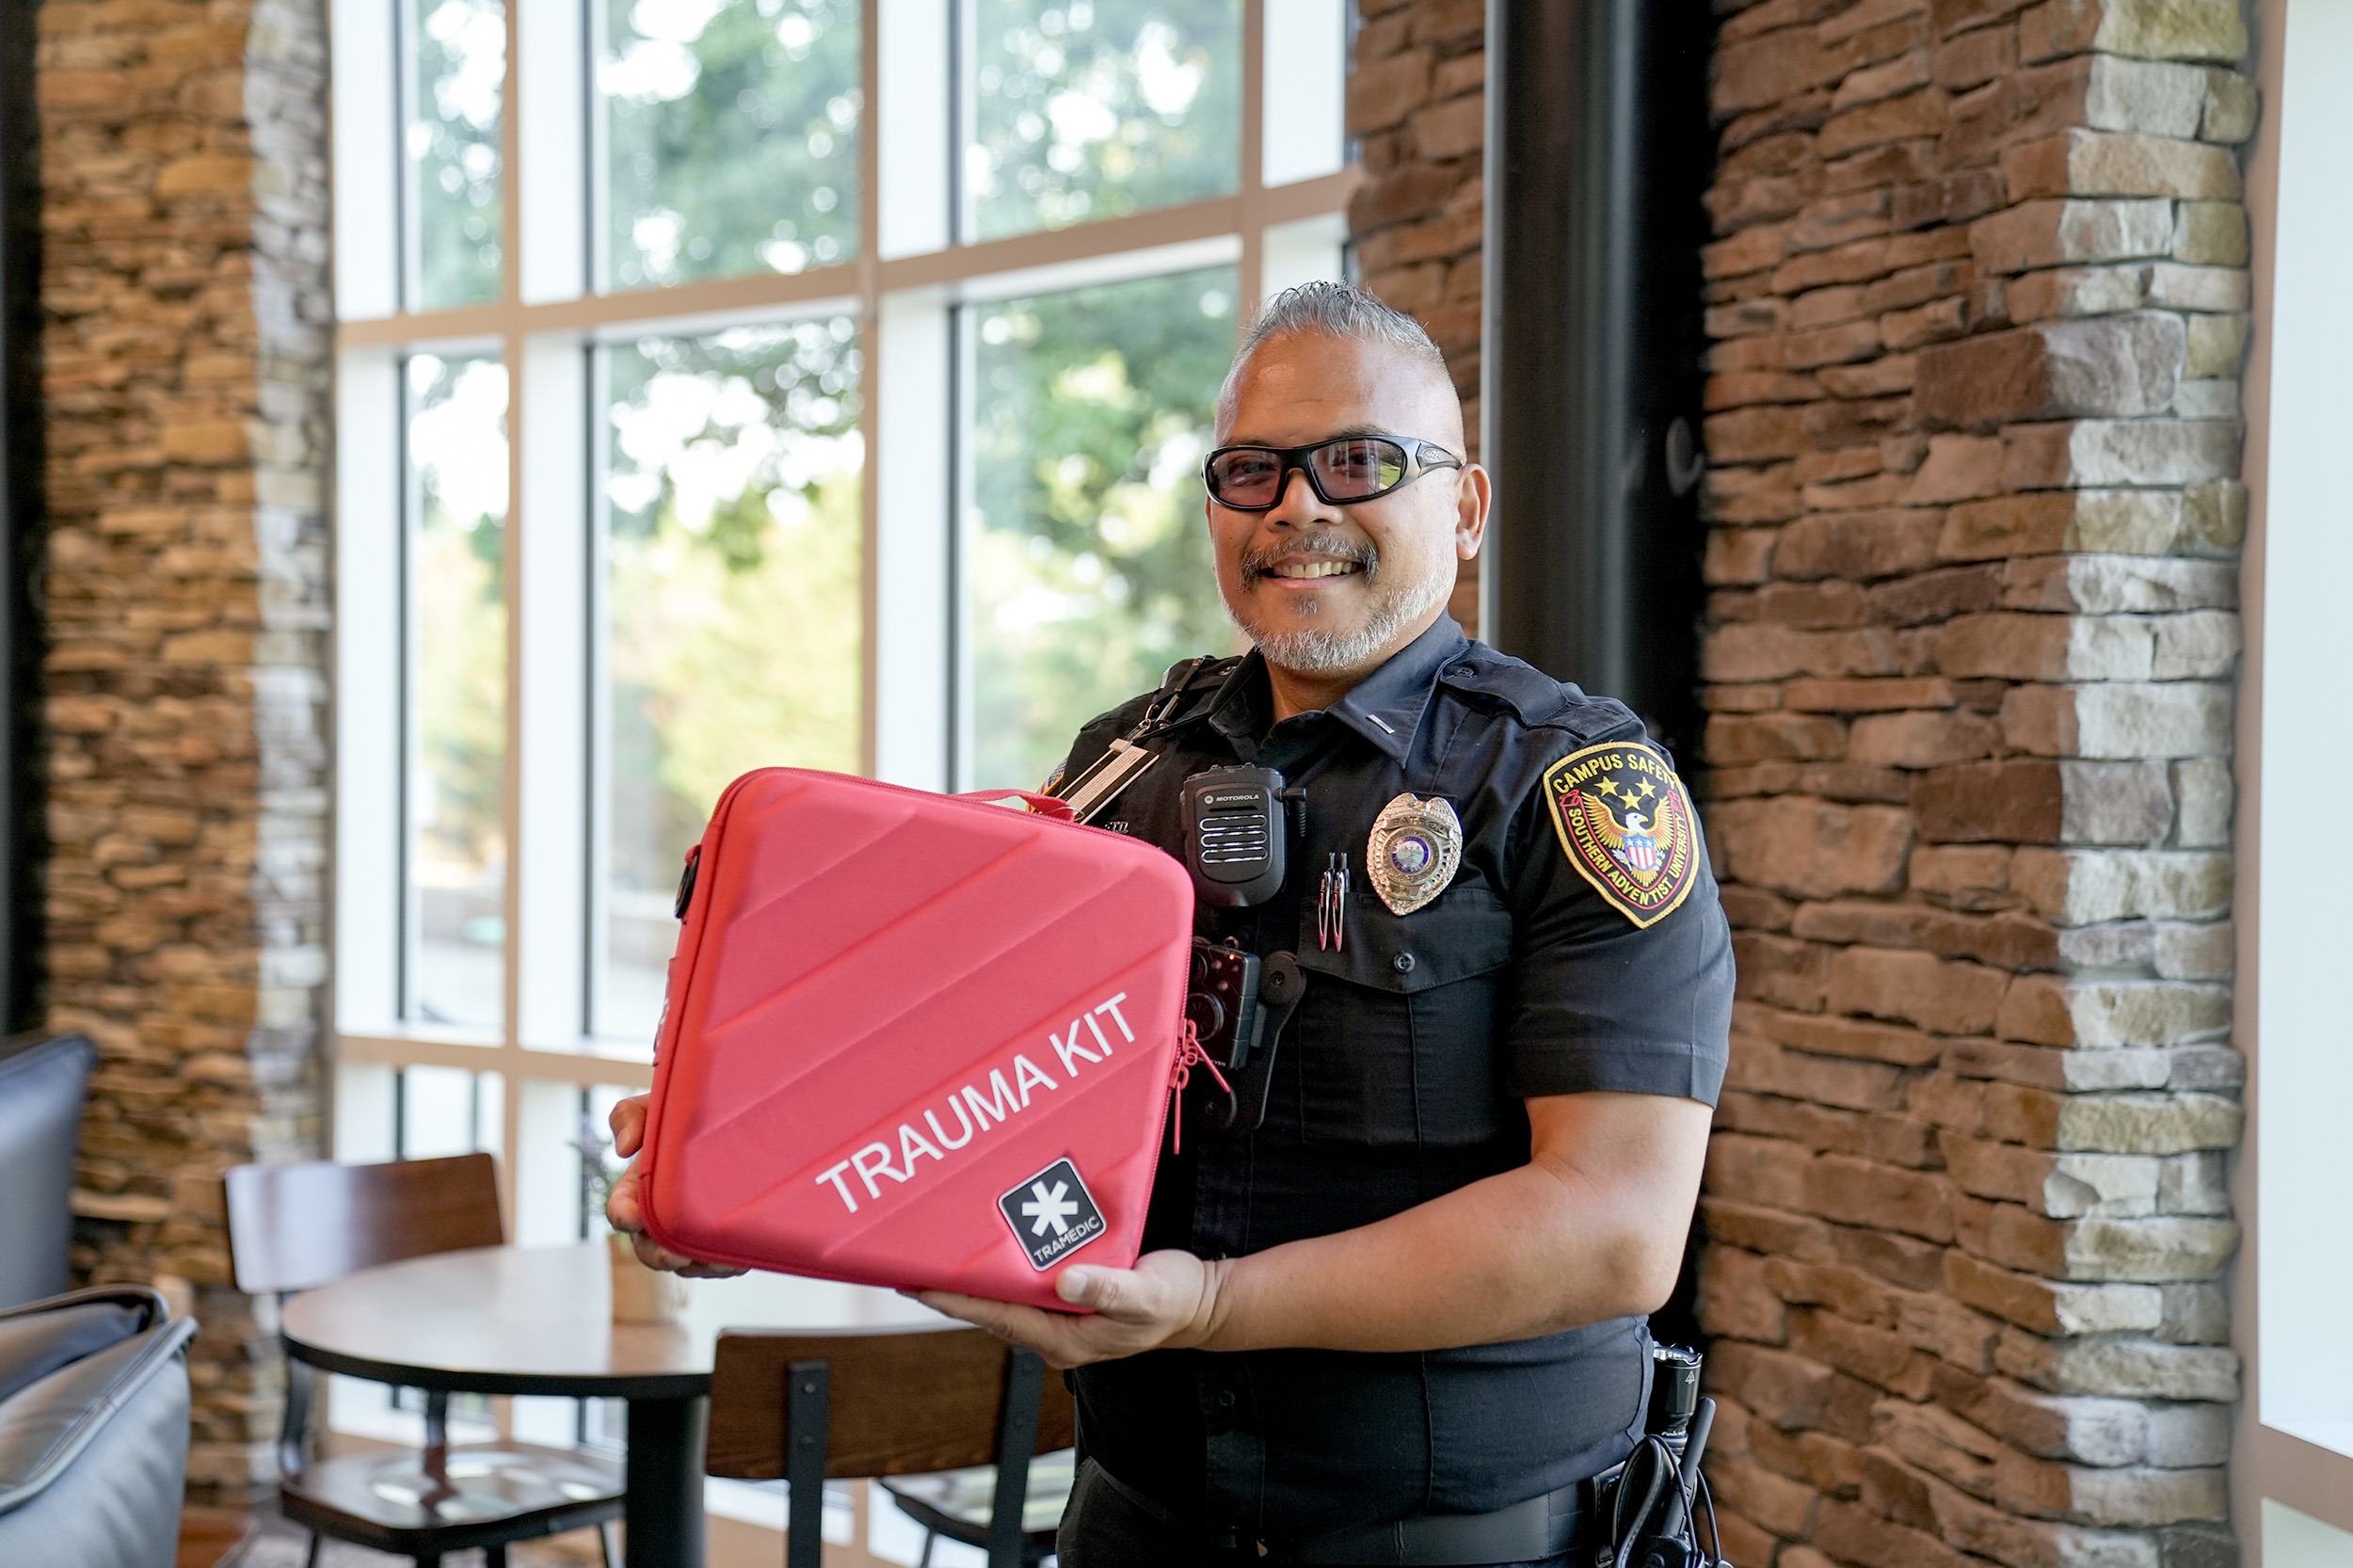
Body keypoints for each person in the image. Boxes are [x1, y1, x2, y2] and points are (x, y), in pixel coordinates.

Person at [604, 282, 1734, 1566]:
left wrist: (1211, 1304)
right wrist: (733, 1175)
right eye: (1253, 470)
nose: (1300, 505)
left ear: (1465, 509)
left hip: (1464, 1544)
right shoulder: (1119, 770)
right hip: (1132, 1519)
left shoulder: (1572, 785)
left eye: (1359, 462)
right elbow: (966, 1100)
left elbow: (1618, 1227)